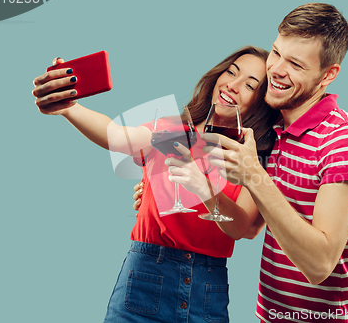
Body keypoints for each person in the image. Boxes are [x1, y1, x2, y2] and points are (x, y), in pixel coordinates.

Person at [133, 3, 348, 323]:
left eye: (295, 64)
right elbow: (251, 227)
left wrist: (253, 174)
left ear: (327, 75)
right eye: (277, 52)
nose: (275, 69)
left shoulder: (344, 142)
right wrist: (158, 193)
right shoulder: (274, 133)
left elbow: (319, 265)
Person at [32, 45, 279, 323]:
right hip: (147, 274)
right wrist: (70, 109)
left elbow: (241, 227)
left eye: (249, 85)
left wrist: (204, 190)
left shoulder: (253, 157)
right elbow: (117, 136)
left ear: (261, 102)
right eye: (231, 72)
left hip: (208, 286)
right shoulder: (173, 130)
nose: (233, 85)